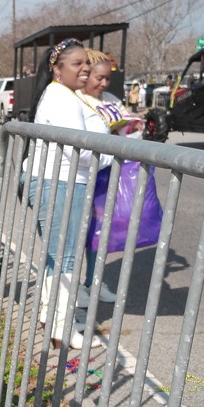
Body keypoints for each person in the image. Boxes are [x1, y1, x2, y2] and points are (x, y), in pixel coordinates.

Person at [25, 38, 108, 349]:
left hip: (58, 180)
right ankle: (63, 329)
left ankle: (53, 320)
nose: (85, 68)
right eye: (77, 64)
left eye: (87, 62)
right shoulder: (62, 97)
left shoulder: (61, 94)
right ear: (57, 70)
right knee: (67, 258)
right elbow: (81, 151)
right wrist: (114, 151)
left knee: (57, 258)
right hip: (60, 181)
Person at [73, 50, 144, 307]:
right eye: (99, 78)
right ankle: (72, 289)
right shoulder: (76, 100)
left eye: (107, 79)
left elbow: (125, 127)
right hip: (84, 175)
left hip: (110, 173)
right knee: (78, 234)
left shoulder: (112, 99)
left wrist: (134, 127)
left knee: (101, 233)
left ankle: (93, 282)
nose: (103, 84)